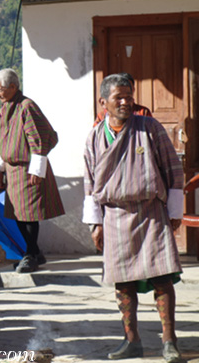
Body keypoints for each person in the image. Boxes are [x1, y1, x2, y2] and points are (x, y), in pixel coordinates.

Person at [83, 74, 183, 363]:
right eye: (119, 97)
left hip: (151, 212)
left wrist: (174, 210)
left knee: (162, 278)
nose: (126, 101)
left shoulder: (149, 127)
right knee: (123, 283)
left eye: (129, 95)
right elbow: (90, 183)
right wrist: (95, 223)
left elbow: (173, 169)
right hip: (114, 216)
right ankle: (132, 340)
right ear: (103, 103)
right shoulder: (94, 137)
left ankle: (169, 341)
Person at [0, 68, 64, 273]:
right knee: (17, 214)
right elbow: (1, 141)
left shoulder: (27, 107)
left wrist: (37, 170)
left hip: (28, 169)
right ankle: (34, 252)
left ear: (13, 87)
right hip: (12, 170)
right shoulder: (5, 108)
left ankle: (31, 254)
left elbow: (38, 139)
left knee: (29, 214)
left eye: (1, 90)